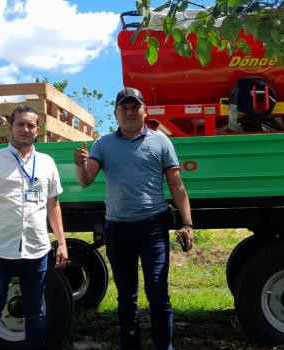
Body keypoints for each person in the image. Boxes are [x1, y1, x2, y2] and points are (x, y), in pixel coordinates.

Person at [74, 87, 194, 350]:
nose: (129, 112)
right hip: (118, 230)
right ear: (116, 113)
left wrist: (187, 224)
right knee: (127, 298)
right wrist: (80, 164)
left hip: (153, 228)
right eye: (123, 108)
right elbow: (85, 180)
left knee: (157, 293)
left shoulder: (161, 142)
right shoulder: (103, 144)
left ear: (145, 111)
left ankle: (165, 346)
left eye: (134, 107)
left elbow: (177, 185)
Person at [0, 105, 68, 350]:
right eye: (20, 124)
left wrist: (61, 242)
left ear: (37, 130)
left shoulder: (47, 163)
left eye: (31, 125)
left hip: (36, 250)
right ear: (11, 128)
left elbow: (53, 205)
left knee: (35, 312)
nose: (25, 129)